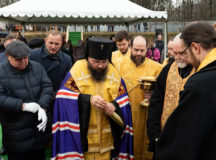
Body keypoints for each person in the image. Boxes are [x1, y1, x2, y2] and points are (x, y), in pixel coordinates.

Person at [52, 37, 133, 160]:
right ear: (88, 58)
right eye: (95, 62)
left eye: (104, 62)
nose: (100, 66)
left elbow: (123, 102)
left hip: (107, 142)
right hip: (84, 142)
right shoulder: (78, 69)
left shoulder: (113, 72)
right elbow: (62, 97)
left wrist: (114, 108)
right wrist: (88, 100)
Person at [155, 21, 216, 160]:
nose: (185, 58)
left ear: (195, 47)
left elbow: (184, 142)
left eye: (185, 52)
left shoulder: (199, 84)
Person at [0, 41, 53, 160]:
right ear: (8, 56)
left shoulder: (37, 67)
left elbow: (47, 87)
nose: (23, 61)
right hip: (17, 134)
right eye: (18, 59)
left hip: (39, 132)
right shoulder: (1, 72)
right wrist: (23, 106)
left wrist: (43, 107)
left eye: (25, 57)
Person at [113, 35, 162, 159]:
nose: (138, 53)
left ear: (147, 50)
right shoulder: (117, 65)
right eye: (136, 50)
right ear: (130, 47)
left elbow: (164, 92)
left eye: (142, 50)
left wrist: (153, 94)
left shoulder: (157, 68)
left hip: (146, 117)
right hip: (123, 116)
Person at [147, 34, 195, 159]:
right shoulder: (166, 70)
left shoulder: (200, 71)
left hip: (190, 142)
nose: (178, 58)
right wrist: (155, 136)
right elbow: (155, 104)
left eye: (182, 53)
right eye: (175, 53)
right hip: (165, 139)